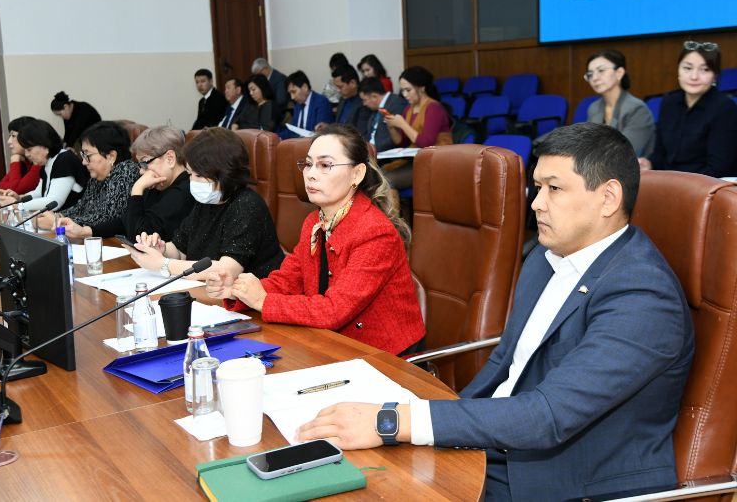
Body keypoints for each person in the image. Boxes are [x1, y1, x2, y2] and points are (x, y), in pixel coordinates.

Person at [297, 123, 694, 501]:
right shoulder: (545, 258)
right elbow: (505, 365)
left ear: (608, 197)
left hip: (562, 480)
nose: (536, 204)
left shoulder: (643, 295)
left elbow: (548, 416)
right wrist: (442, 428)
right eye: (537, 187)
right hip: (496, 444)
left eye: (554, 189)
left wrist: (394, 421)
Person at [206, 124, 426, 356]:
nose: (311, 174)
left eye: (325, 165)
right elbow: (288, 281)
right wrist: (237, 290)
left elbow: (334, 310)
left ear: (357, 174)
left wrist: (263, 301)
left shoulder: (375, 232)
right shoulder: (314, 222)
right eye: (309, 164)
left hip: (384, 357)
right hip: (331, 343)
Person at [129, 127, 284, 289]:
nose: (192, 182)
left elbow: (226, 270)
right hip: (209, 291)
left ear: (224, 173)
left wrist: (164, 264)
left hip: (253, 297)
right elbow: (180, 250)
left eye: (198, 175)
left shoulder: (247, 205)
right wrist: (160, 249)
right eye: (190, 174)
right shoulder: (206, 201)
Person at [57, 126, 194, 241]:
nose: (141, 171)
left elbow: (140, 236)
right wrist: (84, 231)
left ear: (170, 159)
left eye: (144, 163)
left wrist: (137, 190)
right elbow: (125, 222)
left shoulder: (184, 191)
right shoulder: (158, 184)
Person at [640, 40, 737, 178]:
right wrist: (650, 164)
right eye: (687, 68)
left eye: (705, 70)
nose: (694, 76)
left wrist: (678, 185)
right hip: (670, 182)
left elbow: (719, 168)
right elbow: (661, 154)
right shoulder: (669, 102)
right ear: (678, 70)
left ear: (715, 75)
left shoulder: (725, 108)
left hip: (706, 185)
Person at [39, 121, 139, 231]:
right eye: (83, 155)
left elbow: (107, 218)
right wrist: (56, 216)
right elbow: (80, 208)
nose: (84, 162)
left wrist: (58, 221)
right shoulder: (97, 177)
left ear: (111, 156)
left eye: (88, 155)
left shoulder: (126, 171)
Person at [383, 66, 453, 190]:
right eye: (402, 90)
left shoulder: (433, 108)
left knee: (387, 180)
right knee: (378, 176)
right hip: (415, 160)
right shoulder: (408, 109)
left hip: (435, 161)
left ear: (422, 88)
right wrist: (392, 127)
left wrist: (403, 124)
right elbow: (403, 142)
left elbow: (426, 143)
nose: (404, 95)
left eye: (408, 90)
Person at [0, 119, 88, 211]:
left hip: (76, 217)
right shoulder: (47, 162)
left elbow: (54, 201)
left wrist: (18, 205)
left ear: (45, 146)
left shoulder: (64, 160)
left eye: (29, 149)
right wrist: (19, 198)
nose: (27, 154)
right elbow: (40, 192)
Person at [584, 49, 655, 156]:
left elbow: (624, 152)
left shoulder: (637, 109)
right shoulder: (593, 108)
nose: (595, 78)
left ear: (619, 73)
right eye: (590, 74)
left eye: (601, 70)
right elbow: (587, 146)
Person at [278, 71, 334, 139]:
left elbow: (321, 131)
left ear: (305, 87)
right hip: (298, 142)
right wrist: (276, 137)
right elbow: (293, 130)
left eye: (294, 92)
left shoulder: (321, 102)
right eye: (290, 93)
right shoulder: (297, 106)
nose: (292, 97)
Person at [358, 77, 408, 152]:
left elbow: (397, 138)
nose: (364, 104)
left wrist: (372, 149)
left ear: (374, 96)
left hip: (386, 154)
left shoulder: (397, 104)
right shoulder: (375, 108)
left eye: (364, 100)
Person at [0, 116, 42, 194]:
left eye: (13, 136)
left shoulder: (39, 161)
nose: (9, 141)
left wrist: (14, 161)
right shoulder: (24, 159)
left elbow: (15, 190)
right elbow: (1, 186)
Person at [331, 64, 369, 132]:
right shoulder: (343, 98)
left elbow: (360, 134)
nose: (338, 90)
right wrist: (328, 127)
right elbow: (339, 124)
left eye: (340, 87)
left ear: (353, 83)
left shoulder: (364, 102)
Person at [251, 57, 289, 123]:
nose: (257, 77)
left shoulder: (280, 78)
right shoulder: (265, 79)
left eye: (258, 74)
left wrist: (265, 106)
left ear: (265, 69)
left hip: (279, 114)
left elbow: (281, 101)